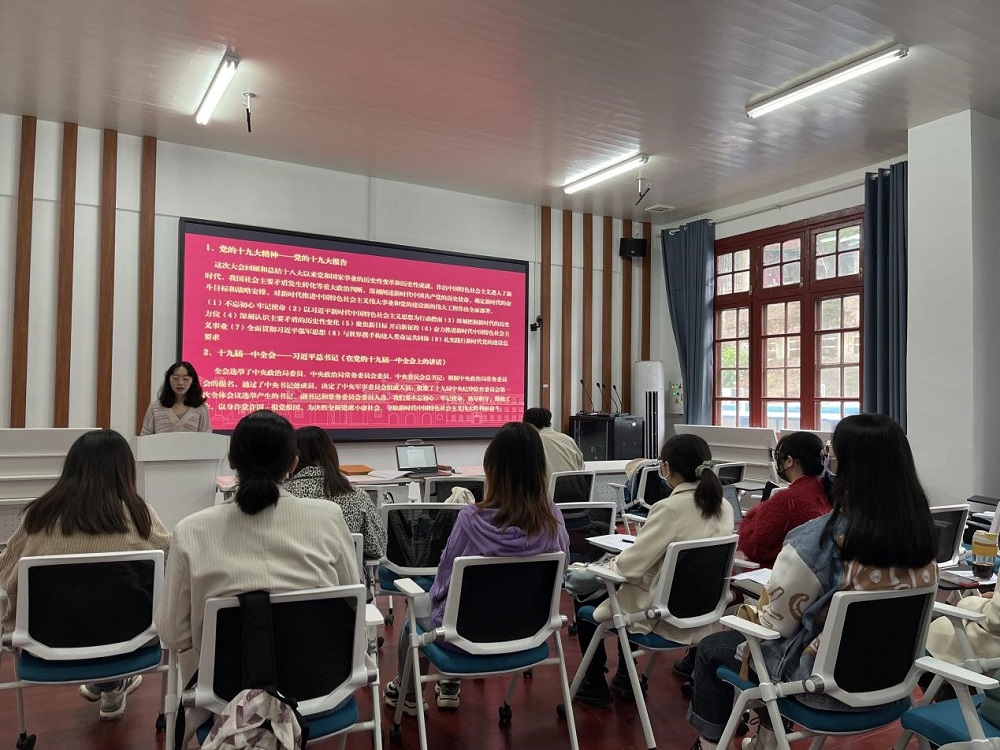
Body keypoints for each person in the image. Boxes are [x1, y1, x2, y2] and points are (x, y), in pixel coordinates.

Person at [688, 413, 938, 750]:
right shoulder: (922, 538)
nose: (827, 458)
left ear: (846, 465)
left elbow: (775, 623)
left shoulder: (818, 539)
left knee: (713, 648)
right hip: (894, 688)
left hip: (822, 690)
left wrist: (746, 612)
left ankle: (708, 744)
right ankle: (766, 739)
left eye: (831, 451)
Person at [383, 422, 570, 714]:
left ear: (492, 469)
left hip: (462, 639)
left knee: (418, 615)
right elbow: (563, 571)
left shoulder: (471, 520)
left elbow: (444, 580)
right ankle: (448, 684)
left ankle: (407, 695)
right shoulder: (553, 519)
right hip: (530, 632)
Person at [155, 409, 359, 675]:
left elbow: (173, 633)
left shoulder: (190, 531)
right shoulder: (328, 517)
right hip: (321, 684)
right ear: (293, 464)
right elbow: (351, 599)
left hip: (225, 693)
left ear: (231, 461)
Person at [0, 430, 171, 721]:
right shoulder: (139, 514)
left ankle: (106, 684)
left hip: (47, 638)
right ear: (124, 472)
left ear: (72, 468)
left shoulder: (40, 516)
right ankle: (111, 684)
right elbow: (171, 562)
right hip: (130, 636)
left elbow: (7, 572)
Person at [571, 433, 734, 707]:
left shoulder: (669, 508)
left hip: (662, 616)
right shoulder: (723, 506)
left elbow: (629, 567)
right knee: (624, 591)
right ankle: (625, 675)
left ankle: (595, 684)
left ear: (666, 467)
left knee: (586, 594)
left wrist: (597, 567)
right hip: (704, 614)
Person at [283, 425, 387, 559]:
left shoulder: (282, 495)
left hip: (295, 571)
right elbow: (378, 548)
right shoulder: (356, 495)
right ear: (331, 454)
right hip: (346, 572)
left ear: (293, 458)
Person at [738, 431, 830, 569]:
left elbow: (753, 546)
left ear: (789, 461)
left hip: (783, 573)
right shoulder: (826, 491)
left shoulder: (788, 500)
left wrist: (757, 512)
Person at [139, 360, 212, 435]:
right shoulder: (154, 408)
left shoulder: (201, 408)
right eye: (175, 378)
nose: (180, 383)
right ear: (169, 380)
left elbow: (206, 437)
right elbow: (145, 436)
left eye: (185, 379)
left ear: (192, 381)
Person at [523, 407, 585, 488]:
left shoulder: (532, 443)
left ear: (529, 426)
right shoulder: (568, 439)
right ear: (549, 423)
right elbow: (581, 466)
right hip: (577, 493)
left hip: (546, 494)